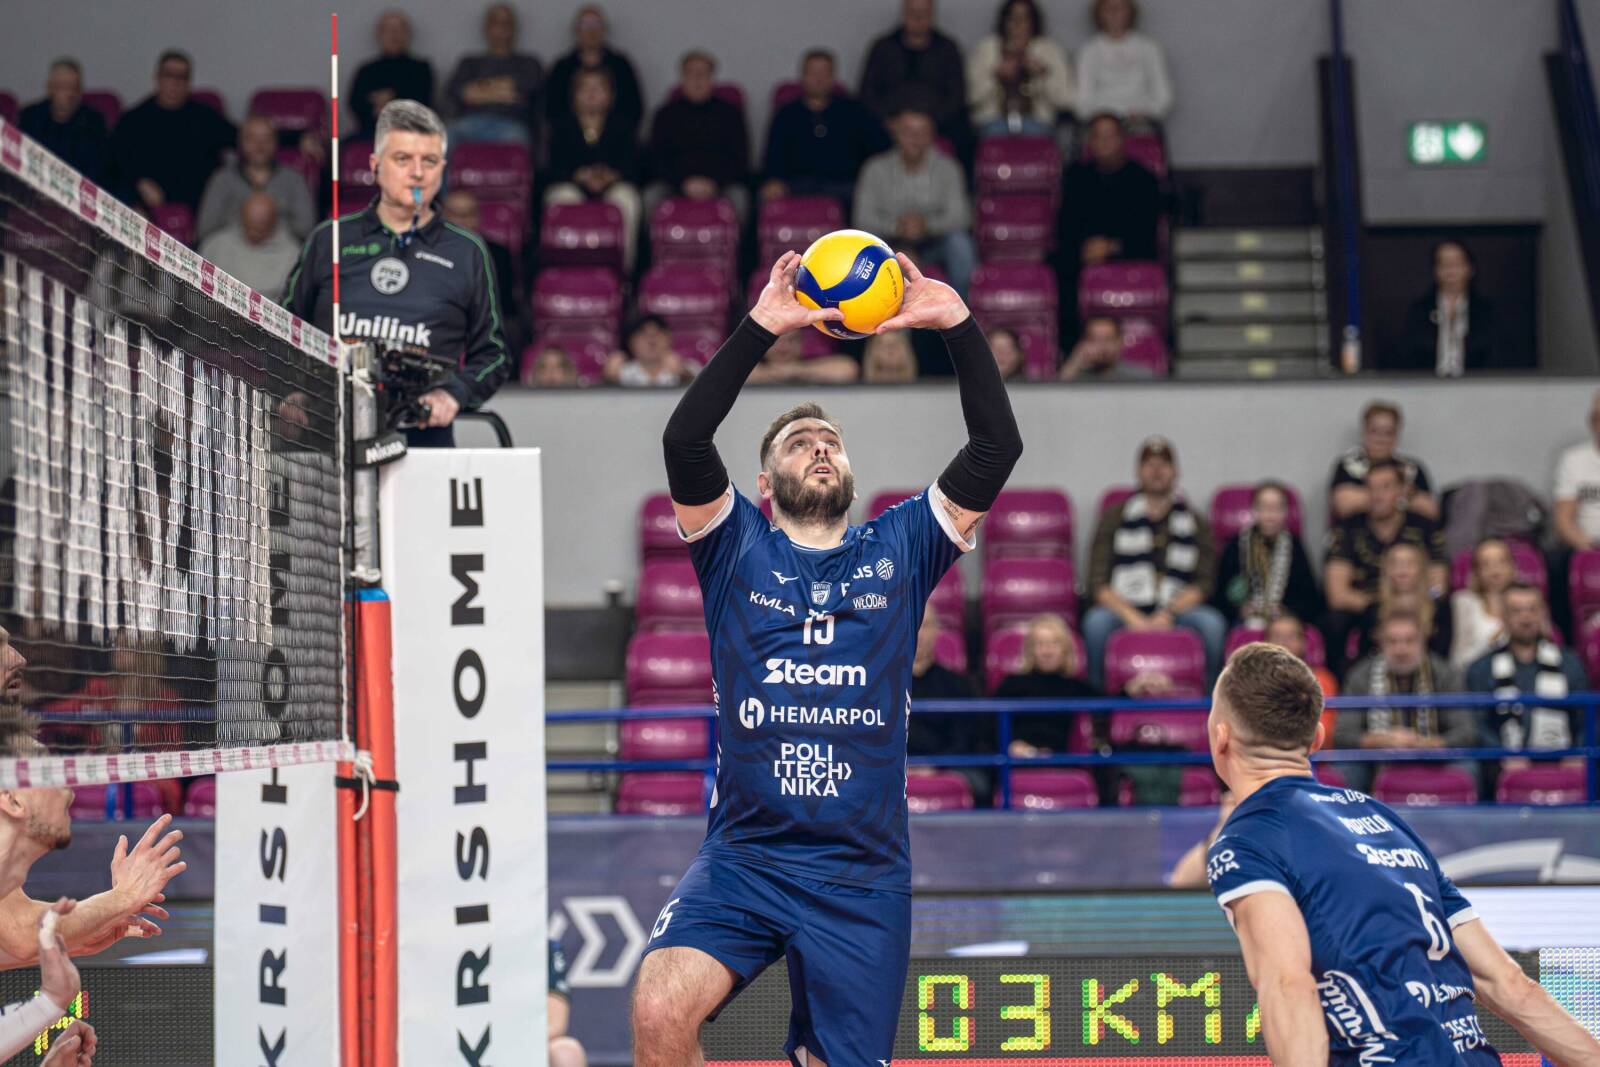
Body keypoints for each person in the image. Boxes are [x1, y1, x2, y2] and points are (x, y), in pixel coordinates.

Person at [632, 251, 1022, 1066]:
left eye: (831, 442)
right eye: (800, 442)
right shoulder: (733, 546)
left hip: (860, 876)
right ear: (764, 483)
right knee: (660, 1008)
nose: (819, 449)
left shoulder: (902, 546)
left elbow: (995, 445)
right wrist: (761, 327)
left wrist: (955, 323)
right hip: (746, 856)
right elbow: (683, 438)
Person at [1203, 641, 1600, 1066]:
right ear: (1316, 738)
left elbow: (1287, 985)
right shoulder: (1381, 819)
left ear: (1220, 738)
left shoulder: (1245, 839)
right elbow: (1511, 986)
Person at [284, 100, 511, 448]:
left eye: (429, 161)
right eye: (403, 159)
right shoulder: (329, 239)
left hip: (423, 441)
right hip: (328, 442)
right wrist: (291, 389)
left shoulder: (467, 251)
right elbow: (284, 331)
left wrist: (454, 393)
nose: (417, 173)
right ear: (375, 166)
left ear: (443, 169)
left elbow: (494, 355)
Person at [1083, 437, 1227, 687]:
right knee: (1096, 623)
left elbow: (1204, 584)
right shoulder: (1115, 517)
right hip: (1124, 608)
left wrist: (1168, 614)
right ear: (1138, 472)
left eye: (1163, 465)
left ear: (1175, 472)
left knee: (1212, 624)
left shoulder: (1195, 521)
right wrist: (1132, 617)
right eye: (1150, 465)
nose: (1157, 471)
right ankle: (1098, 701)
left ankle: (1210, 698)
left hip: (1178, 609)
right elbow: (1097, 582)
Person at [1321, 458, 1447, 676]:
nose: (1377, 495)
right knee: (1335, 622)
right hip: (1367, 607)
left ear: (1402, 490)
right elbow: (1338, 595)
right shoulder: (1347, 528)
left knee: (1444, 612)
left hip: (1419, 603)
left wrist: (1413, 601)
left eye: (1385, 487)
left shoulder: (1424, 526)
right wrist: (1384, 602)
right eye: (1371, 488)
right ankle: (1346, 682)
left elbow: (1438, 587)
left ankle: (1437, 679)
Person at [1336, 610, 1475, 794]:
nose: (1401, 650)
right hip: (1377, 758)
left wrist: (1424, 744)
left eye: (1410, 641)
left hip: (1433, 757)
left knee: (1468, 766)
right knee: (1346, 768)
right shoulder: (1361, 675)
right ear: (1381, 643)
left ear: (1423, 642)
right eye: (1392, 641)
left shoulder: (1444, 674)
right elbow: (1343, 734)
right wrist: (1384, 740)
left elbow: (1465, 732)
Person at [1055, 114, 1159, 341]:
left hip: (1130, 254)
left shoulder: (1144, 180)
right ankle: (1072, 346)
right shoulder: (1075, 177)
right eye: (1098, 136)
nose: (1104, 142)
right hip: (1083, 257)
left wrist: (1112, 247)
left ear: (1122, 140)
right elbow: (1065, 227)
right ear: (1090, 142)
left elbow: (1148, 233)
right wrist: (1084, 250)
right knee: (1060, 270)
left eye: (1110, 136)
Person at [1465, 583, 1588, 775]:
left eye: (1532, 609)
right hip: (1502, 769)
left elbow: (1586, 720)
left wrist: (1578, 752)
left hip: (1564, 762)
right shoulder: (1481, 669)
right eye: (1517, 611)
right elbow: (1477, 726)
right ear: (1503, 616)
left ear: (1543, 613)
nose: (1526, 618)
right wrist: (1502, 755)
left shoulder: (1570, 663)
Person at [853, 108, 976, 295]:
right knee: (868, 246)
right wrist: (896, 228)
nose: (915, 138)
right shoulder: (875, 168)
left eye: (922, 132)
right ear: (896, 133)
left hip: (934, 243)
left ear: (932, 136)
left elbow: (961, 216)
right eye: (908, 132)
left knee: (960, 244)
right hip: (889, 244)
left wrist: (926, 226)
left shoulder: (948, 168)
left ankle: (960, 307)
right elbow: (862, 218)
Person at [110, 50, 236, 214]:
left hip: (201, 206)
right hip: (148, 206)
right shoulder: (132, 120)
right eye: (169, 75)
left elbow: (242, 141)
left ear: (189, 82)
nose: (175, 83)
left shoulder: (207, 117)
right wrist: (138, 183)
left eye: (182, 77)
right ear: (157, 78)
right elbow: (116, 163)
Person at [761, 50, 890, 207]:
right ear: (802, 76)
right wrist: (773, 180)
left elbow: (879, 149)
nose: (819, 79)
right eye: (813, 73)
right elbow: (772, 157)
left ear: (833, 78)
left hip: (845, 186)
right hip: (796, 185)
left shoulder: (854, 111)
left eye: (825, 73)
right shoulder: (786, 114)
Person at [545, 68, 642, 272]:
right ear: (574, 95)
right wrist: (579, 176)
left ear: (611, 95)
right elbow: (551, 169)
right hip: (572, 185)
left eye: (598, 88)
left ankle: (624, 271)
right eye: (585, 88)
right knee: (562, 198)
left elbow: (635, 167)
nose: (591, 93)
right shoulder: (561, 126)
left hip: (613, 186)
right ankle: (564, 267)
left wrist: (611, 176)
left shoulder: (623, 126)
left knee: (627, 199)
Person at [643, 52, 751, 226]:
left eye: (702, 74)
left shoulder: (730, 114)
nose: (697, 80)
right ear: (682, 78)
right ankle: (652, 245)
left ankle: (738, 245)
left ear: (712, 78)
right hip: (675, 183)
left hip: (720, 183)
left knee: (740, 198)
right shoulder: (665, 115)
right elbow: (656, 159)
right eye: (691, 74)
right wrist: (683, 183)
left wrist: (714, 182)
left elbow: (739, 159)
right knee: (650, 197)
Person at [858, 0, 971, 162]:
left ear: (932, 16)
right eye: (913, 13)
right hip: (889, 123)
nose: (918, 19)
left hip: (938, 123)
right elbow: (867, 93)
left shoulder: (948, 48)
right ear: (904, 15)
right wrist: (890, 122)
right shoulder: (882, 47)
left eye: (923, 14)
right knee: (862, 131)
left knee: (964, 135)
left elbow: (957, 95)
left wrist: (930, 124)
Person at [1396, 240, 1515, 375]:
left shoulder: (1486, 312)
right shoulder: (1419, 311)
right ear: (1435, 270)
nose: (1450, 270)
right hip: (1427, 384)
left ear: (1470, 269)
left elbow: (1496, 356)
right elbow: (1408, 356)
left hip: (1477, 383)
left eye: (1456, 263)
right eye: (1443, 264)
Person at [1211, 482, 1321, 627]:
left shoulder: (1295, 547)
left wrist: (1287, 611)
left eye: (1276, 508)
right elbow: (1219, 596)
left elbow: (1311, 600)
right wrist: (1239, 610)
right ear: (1253, 510)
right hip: (1242, 622)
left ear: (1285, 512)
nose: (1270, 515)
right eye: (1263, 507)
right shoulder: (1235, 546)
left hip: (1284, 623)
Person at [907, 612, 989, 803]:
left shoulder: (959, 685)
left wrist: (935, 766)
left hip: (949, 765)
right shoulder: (881, 686)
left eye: (925, 625)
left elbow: (965, 738)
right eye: (913, 624)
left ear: (936, 631)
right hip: (894, 767)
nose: (920, 633)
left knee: (982, 785)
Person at [195, 116, 316, 243]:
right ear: (240, 142)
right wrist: (246, 225)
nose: (259, 145)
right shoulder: (222, 179)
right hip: (232, 244)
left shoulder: (293, 179)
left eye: (267, 139)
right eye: (251, 139)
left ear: (276, 142)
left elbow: (306, 229)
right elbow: (205, 230)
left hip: (279, 246)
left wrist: (267, 225)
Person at [995, 613, 1098, 759]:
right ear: (1031, 650)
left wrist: (1128, 689)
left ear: (1065, 649)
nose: (1047, 651)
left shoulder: (1076, 687)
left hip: (1061, 762)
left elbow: (1108, 708)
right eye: (1040, 644)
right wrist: (1010, 746)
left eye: (1054, 644)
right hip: (1016, 761)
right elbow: (989, 727)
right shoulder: (1011, 685)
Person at [966, 0, 1075, 137]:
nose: (1018, 24)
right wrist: (995, 76)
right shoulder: (986, 49)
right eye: (1012, 18)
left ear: (1033, 22)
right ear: (1004, 21)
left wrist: (1043, 75)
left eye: (1024, 18)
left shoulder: (1050, 51)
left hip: (1039, 124)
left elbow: (1065, 101)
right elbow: (971, 98)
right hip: (992, 123)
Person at [442, 2, 543, 147]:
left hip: (512, 124)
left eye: (507, 23)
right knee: (444, 137)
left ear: (514, 28)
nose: (501, 28)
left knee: (519, 139)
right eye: (495, 22)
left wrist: (478, 91)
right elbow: (455, 91)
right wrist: (502, 91)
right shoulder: (469, 62)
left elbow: (528, 87)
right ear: (486, 28)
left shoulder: (528, 62)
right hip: (469, 123)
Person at [440, 187, 526, 356]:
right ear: (442, 217)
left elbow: (504, 305)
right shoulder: (427, 252)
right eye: (455, 214)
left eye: (468, 214)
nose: (462, 222)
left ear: (478, 218)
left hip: (483, 323)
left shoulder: (499, 254)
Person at [544, 5, 644, 137]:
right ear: (576, 30)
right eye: (585, 25)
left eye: (596, 24)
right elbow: (552, 109)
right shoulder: (562, 68)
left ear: (604, 30)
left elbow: (634, 108)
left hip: (616, 137)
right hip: (569, 137)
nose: (591, 30)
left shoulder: (621, 66)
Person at [1328, 400, 1438, 521]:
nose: (1380, 439)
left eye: (1388, 433)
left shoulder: (1411, 469)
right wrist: (1403, 497)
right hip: (1356, 531)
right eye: (1374, 431)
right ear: (1364, 432)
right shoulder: (1347, 466)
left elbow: (1430, 509)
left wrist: (1369, 498)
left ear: (1396, 435)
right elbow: (1344, 505)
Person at [1076, 0, 1173, 125]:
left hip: (1142, 116)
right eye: (1108, 9)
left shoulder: (1149, 48)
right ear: (1098, 14)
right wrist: (1102, 117)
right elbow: (1083, 96)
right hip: (1102, 119)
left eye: (1120, 8)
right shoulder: (1089, 50)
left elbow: (1163, 94)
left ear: (1131, 12)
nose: (1114, 13)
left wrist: (1148, 112)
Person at [1551, 388, 1600, 633]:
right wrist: (1587, 547)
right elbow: (1563, 519)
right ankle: (1569, 641)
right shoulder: (1574, 460)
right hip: (1584, 546)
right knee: (1558, 566)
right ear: (1593, 422)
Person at [18, 58, 109, 184]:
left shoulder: (93, 122)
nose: (68, 93)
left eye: (73, 88)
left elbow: (98, 170)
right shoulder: (31, 117)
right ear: (49, 89)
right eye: (61, 87)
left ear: (80, 91)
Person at [198, 193, 301, 302]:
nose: (254, 233)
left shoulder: (292, 254)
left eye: (261, 227)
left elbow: (291, 301)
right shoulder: (215, 246)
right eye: (250, 226)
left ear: (274, 222)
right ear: (240, 218)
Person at [349, 10, 435, 138]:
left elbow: (423, 101)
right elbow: (355, 103)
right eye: (388, 30)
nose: (394, 35)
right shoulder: (366, 70)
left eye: (399, 30)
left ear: (407, 34)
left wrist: (392, 99)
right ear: (379, 34)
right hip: (372, 131)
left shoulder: (421, 69)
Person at [1363, 541, 1451, 663]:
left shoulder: (1439, 608)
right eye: (1395, 563)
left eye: (1410, 563)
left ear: (1421, 568)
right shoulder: (1373, 608)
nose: (1402, 569)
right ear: (1386, 570)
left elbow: (1443, 652)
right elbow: (1366, 654)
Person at [1450, 537, 1515, 670]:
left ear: (1512, 567)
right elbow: (1458, 661)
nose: (1495, 571)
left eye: (1501, 562)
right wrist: (1492, 644)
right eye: (1486, 564)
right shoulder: (1464, 602)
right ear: (1476, 572)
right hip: (1476, 677)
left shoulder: (1527, 599)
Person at [1057, 314, 1154, 380]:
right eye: (1094, 340)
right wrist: (1075, 361)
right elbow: (1055, 397)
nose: (1102, 346)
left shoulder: (1140, 377)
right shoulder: (1075, 377)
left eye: (1108, 339)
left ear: (1119, 342)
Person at [605, 315, 692, 387]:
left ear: (669, 338)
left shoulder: (686, 367)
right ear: (631, 342)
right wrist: (610, 378)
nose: (651, 341)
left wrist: (683, 374)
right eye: (644, 335)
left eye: (657, 334)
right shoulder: (622, 372)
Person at [745, 331, 859, 385]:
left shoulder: (811, 364)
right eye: (775, 341)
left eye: (792, 340)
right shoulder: (752, 367)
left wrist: (796, 370)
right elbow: (736, 372)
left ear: (802, 342)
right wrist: (778, 372)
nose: (783, 347)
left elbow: (847, 369)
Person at [548, 939, 587, 1067]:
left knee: (567, 1053)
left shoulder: (546, 947)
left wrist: (517, 1041)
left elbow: (556, 1024)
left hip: (525, 1039)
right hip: (492, 1040)